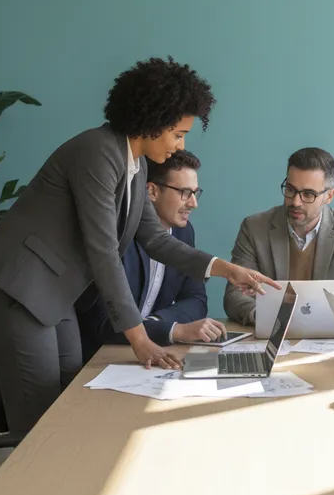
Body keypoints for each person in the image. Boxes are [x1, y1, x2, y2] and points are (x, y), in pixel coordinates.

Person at [0, 57, 279, 435]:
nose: (180, 143)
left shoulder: (134, 166)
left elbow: (154, 240)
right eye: (178, 133)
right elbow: (103, 251)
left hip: (56, 290)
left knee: (72, 389)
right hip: (15, 287)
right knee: (38, 417)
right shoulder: (97, 153)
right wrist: (139, 338)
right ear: (152, 120)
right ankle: (33, 486)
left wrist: (226, 269)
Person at [76, 150, 225, 361]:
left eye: (195, 192)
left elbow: (196, 300)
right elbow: (102, 322)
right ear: (152, 191)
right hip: (100, 356)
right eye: (184, 192)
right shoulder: (118, 236)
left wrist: (157, 323)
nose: (193, 203)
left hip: (150, 351)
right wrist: (175, 330)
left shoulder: (184, 232)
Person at [224, 147, 334, 326]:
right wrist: (266, 319)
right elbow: (234, 295)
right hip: (270, 335)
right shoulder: (254, 227)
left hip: (328, 336)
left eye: (308, 194)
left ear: (329, 196)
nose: (296, 202)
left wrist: (329, 319)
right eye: (290, 189)